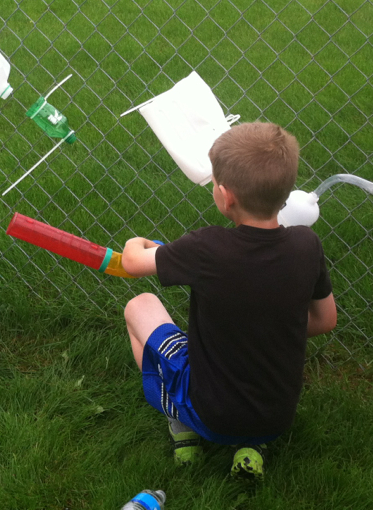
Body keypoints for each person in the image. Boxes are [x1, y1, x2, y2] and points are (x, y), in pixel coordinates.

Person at [122, 121, 337, 479]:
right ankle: (251, 446)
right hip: (275, 417)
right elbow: (326, 319)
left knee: (139, 306)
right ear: (286, 194)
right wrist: (271, 329)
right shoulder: (306, 246)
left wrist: (139, 241)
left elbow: (131, 263)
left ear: (226, 195)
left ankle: (180, 422)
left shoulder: (206, 248)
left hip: (210, 414)